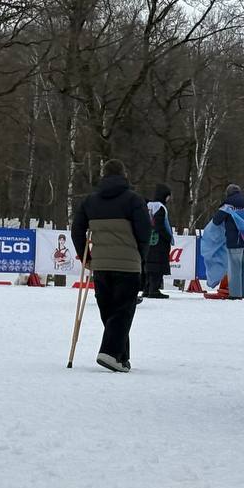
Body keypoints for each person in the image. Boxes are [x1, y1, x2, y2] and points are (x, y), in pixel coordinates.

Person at [70, 159, 151, 372]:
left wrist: (86, 258)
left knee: (109, 311)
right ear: (124, 174)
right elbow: (145, 232)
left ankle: (122, 356)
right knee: (122, 311)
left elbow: (77, 230)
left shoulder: (90, 201)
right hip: (128, 264)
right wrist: (141, 256)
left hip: (102, 265)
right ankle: (111, 353)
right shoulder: (134, 200)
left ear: (103, 175)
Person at [211, 184, 244, 299]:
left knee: (235, 268)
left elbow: (216, 221)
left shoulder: (227, 206)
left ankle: (236, 295)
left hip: (234, 240)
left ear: (228, 193)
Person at [144, 184, 174, 299]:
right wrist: (167, 237)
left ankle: (147, 288)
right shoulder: (160, 207)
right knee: (157, 265)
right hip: (158, 241)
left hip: (148, 239)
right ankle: (154, 289)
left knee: (149, 265)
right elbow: (159, 225)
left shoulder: (148, 205)